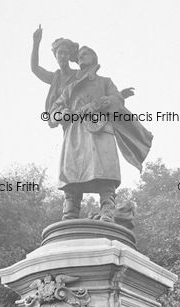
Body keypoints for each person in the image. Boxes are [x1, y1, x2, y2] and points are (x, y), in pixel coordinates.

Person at [50, 46, 153, 221]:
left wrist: (105, 102)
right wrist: (63, 114)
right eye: (80, 55)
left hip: (100, 128)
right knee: (72, 172)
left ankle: (107, 210)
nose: (81, 57)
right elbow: (54, 111)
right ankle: (70, 212)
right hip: (76, 132)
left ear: (94, 59)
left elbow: (117, 100)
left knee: (105, 169)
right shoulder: (70, 88)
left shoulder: (105, 82)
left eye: (85, 54)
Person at [30, 26, 79, 113]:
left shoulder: (78, 74)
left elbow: (91, 69)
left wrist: (76, 59)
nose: (63, 56)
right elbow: (35, 68)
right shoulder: (54, 78)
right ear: (55, 55)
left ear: (69, 55)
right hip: (66, 119)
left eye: (66, 53)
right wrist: (36, 43)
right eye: (60, 53)